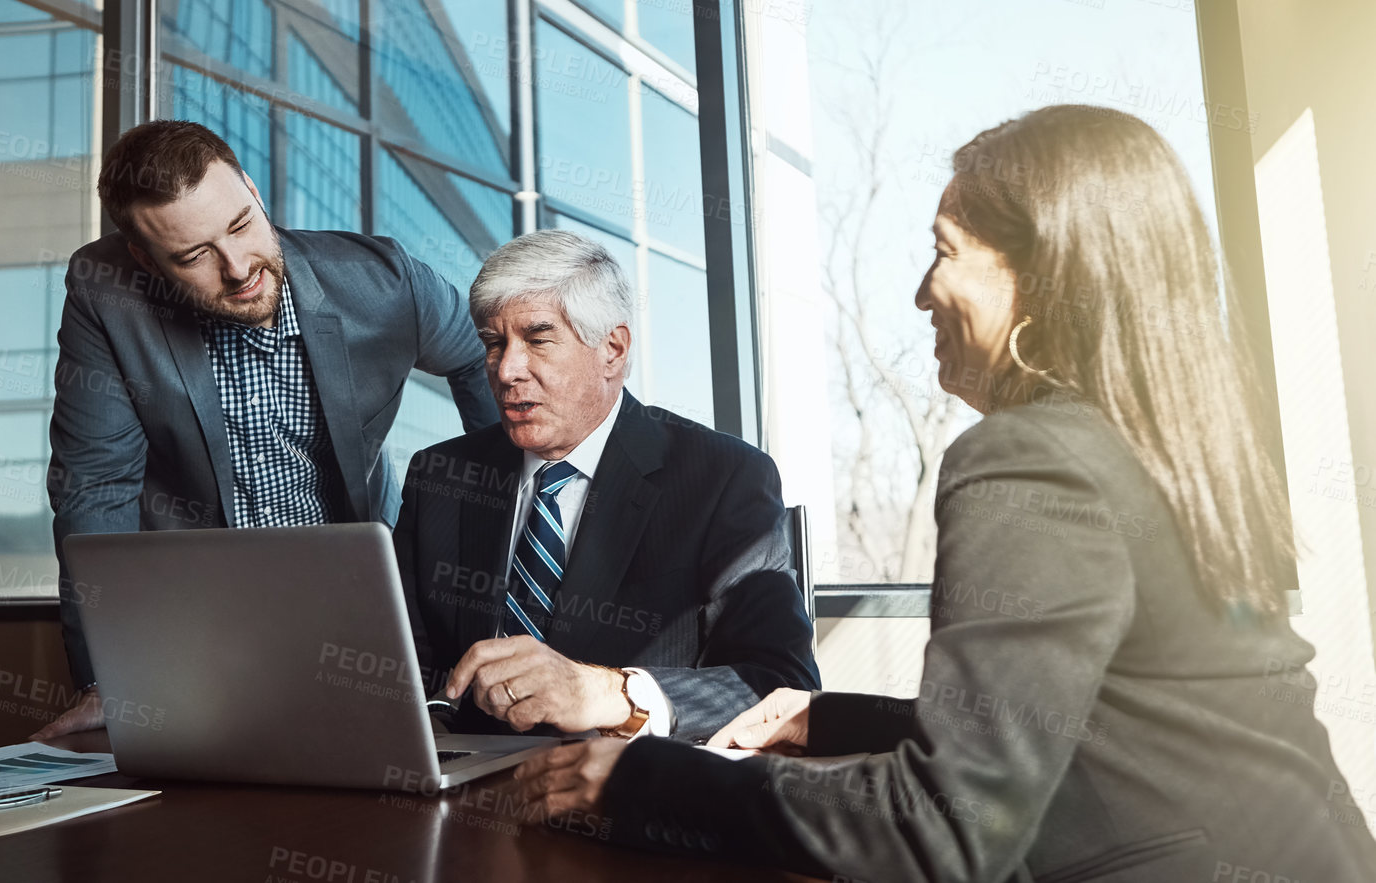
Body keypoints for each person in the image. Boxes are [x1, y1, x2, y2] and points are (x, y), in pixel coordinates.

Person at [515, 105, 1376, 881]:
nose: (923, 291)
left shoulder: (1029, 460)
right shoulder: (1150, 446)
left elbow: (946, 829)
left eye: (945, 252)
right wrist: (829, 717)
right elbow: (1091, 725)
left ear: (1043, 272)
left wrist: (649, 779)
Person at [32, 120, 497, 739]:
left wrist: (491, 537)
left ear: (252, 188)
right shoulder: (105, 288)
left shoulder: (384, 282)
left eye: (242, 224)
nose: (238, 267)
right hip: (198, 620)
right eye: (195, 255)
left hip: (354, 598)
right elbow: (96, 488)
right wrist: (109, 674)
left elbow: (482, 359)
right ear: (144, 257)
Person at [393, 229, 819, 743]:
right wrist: (432, 725)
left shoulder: (724, 478)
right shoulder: (440, 476)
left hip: (628, 796)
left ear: (612, 350)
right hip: (458, 791)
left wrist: (609, 694)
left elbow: (781, 686)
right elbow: (404, 665)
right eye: (493, 343)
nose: (507, 369)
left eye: (538, 339)